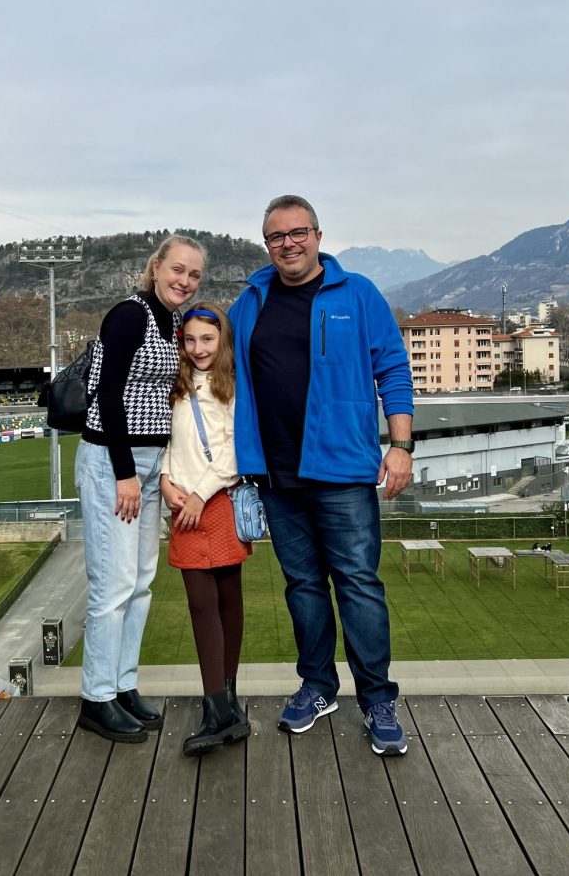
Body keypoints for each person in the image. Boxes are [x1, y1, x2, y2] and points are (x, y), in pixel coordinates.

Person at [228, 195, 414, 756]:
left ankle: (377, 698)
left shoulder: (358, 293)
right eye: (276, 236)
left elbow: (393, 368)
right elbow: (209, 360)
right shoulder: (249, 301)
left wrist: (400, 445)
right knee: (303, 586)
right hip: (276, 474)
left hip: (343, 472)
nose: (288, 243)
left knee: (358, 583)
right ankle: (318, 686)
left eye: (298, 232)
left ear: (317, 235)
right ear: (267, 244)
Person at [76, 234, 206, 742]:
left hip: (149, 465)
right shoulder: (130, 315)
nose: (184, 281)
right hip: (115, 462)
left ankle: (122, 685)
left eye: (194, 275)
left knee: (139, 582)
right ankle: (96, 697)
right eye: (177, 270)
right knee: (112, 584)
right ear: (156, 268)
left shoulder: (172, 321)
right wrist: (124, 471)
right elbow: (108, 394)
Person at [161, 302, 252, 756]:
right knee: (203, 604)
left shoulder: (232, 386)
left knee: (224, 600)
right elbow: (169, 442)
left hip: (216, 502)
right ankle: (222, 707)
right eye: (191, 339)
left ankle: (222, 705)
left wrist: (201, 493)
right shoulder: (176, 385)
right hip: (184, 505)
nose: (198, 348)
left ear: (223, 341)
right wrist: (165, 479)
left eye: (208, 339)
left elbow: (237, 449)